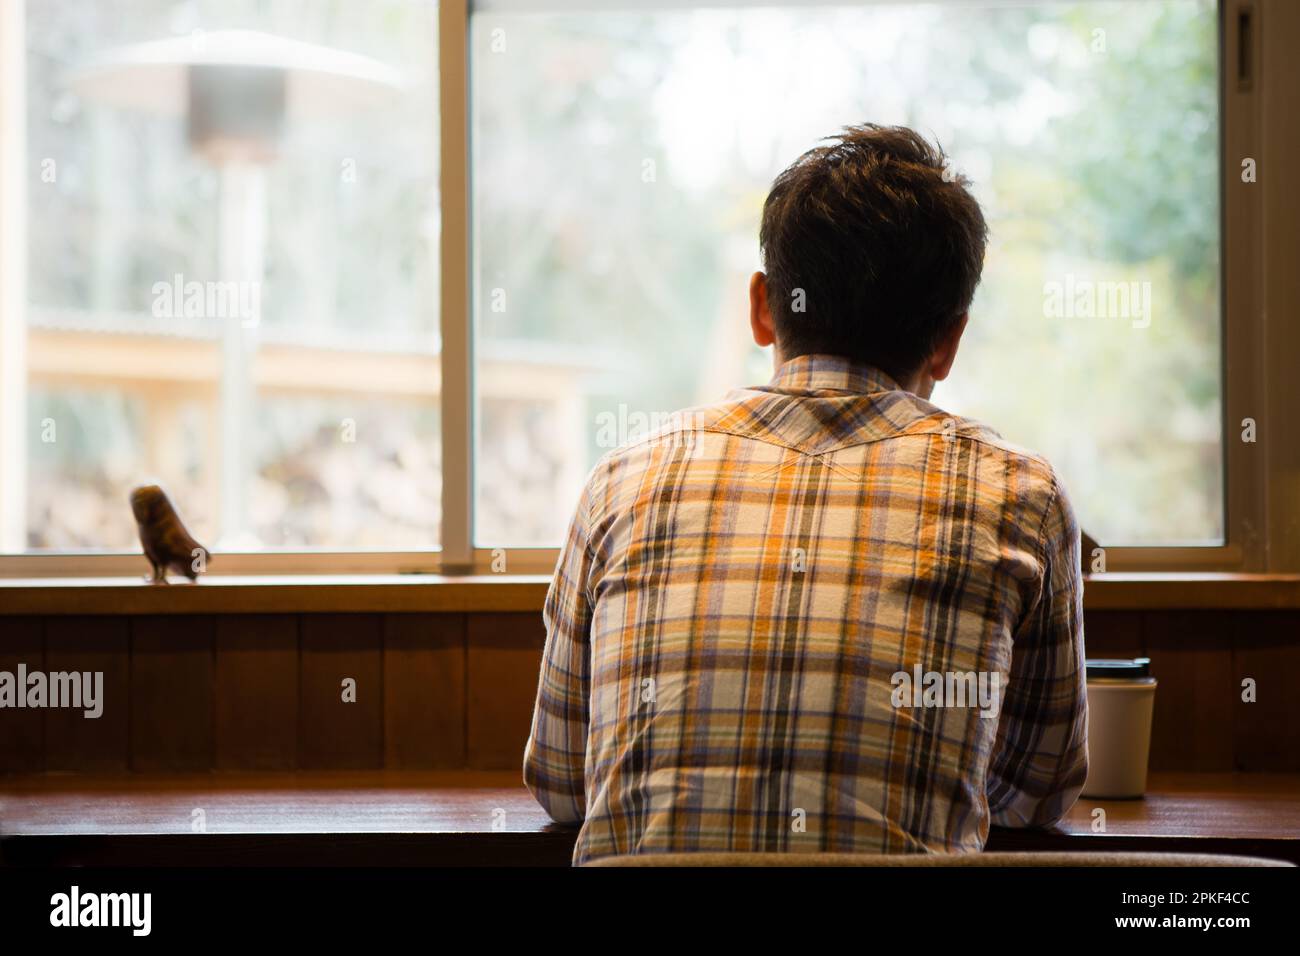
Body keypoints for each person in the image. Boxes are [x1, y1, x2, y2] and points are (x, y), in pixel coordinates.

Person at [524, 124, 1088, 866]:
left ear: (763, 307)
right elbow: (1037, 793)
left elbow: (563, 783)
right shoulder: (1020, 497)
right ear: (949, 341)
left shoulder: (623, 482)